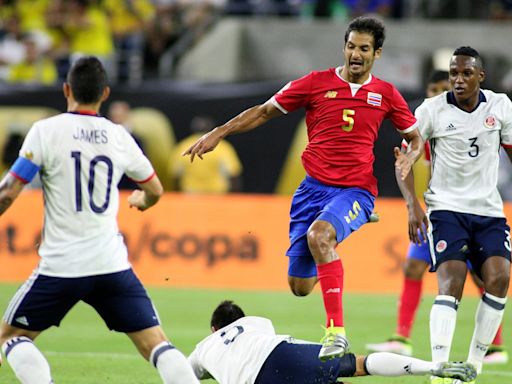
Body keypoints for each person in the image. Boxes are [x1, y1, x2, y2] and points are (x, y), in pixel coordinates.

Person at [183, 16, 424, 361]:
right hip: (311, 192)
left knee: (320, 236)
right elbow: (265, 111)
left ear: (377, 53)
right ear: (344, 46)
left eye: (364, 49)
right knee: (299, 287)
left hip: (356, 189)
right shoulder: (314, 83)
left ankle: (335, 334)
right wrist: (219, 132)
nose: (356, 54)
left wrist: (409, 157)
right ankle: (344, 224)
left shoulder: (385, 94)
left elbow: (414, 138)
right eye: (351, 46)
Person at [0, 56, 198, 384]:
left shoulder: (46, 131)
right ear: (104, 94)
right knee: (157, 344)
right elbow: (154, 188)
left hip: (61, 267)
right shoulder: (117, 135)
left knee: (10, 336)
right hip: (111, 266)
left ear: (66, 90)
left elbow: (9, 193)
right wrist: (143, 200)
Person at [366, 71, 508, 365]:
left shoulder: (477, 120)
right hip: (440, 213)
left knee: (485, 277)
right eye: (433, 89)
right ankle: (403, 337)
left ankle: (493, 346)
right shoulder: (428, 123)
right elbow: (408, 161)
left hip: (476, 211)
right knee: (416, 268)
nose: (437, 93)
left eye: (441, 88)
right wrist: (414, 204)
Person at [397, 46, 512, 384]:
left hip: (489, 211)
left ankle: (474, 364)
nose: (458, 80)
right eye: (453, 74)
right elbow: (405, 161)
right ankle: (440, 369)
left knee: (500, 278)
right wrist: (412, 206)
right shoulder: (431, 110)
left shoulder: (500, 106)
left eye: (465, 73)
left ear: (481, 76)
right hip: (447, 209)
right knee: (451, 282)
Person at [187, 300, 477, 384]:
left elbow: (183, 376)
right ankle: (433, 367)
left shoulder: (203, 348)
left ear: (214, 329)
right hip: (278, 354)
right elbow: (269, 350)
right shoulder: (257, 322)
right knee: (359, 366)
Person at [172, 115, 242, 193]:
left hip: (190, 195)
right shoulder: (222, 147)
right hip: (217, 195)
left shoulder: (183, 146)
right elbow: (233, 175)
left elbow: (176, 176)